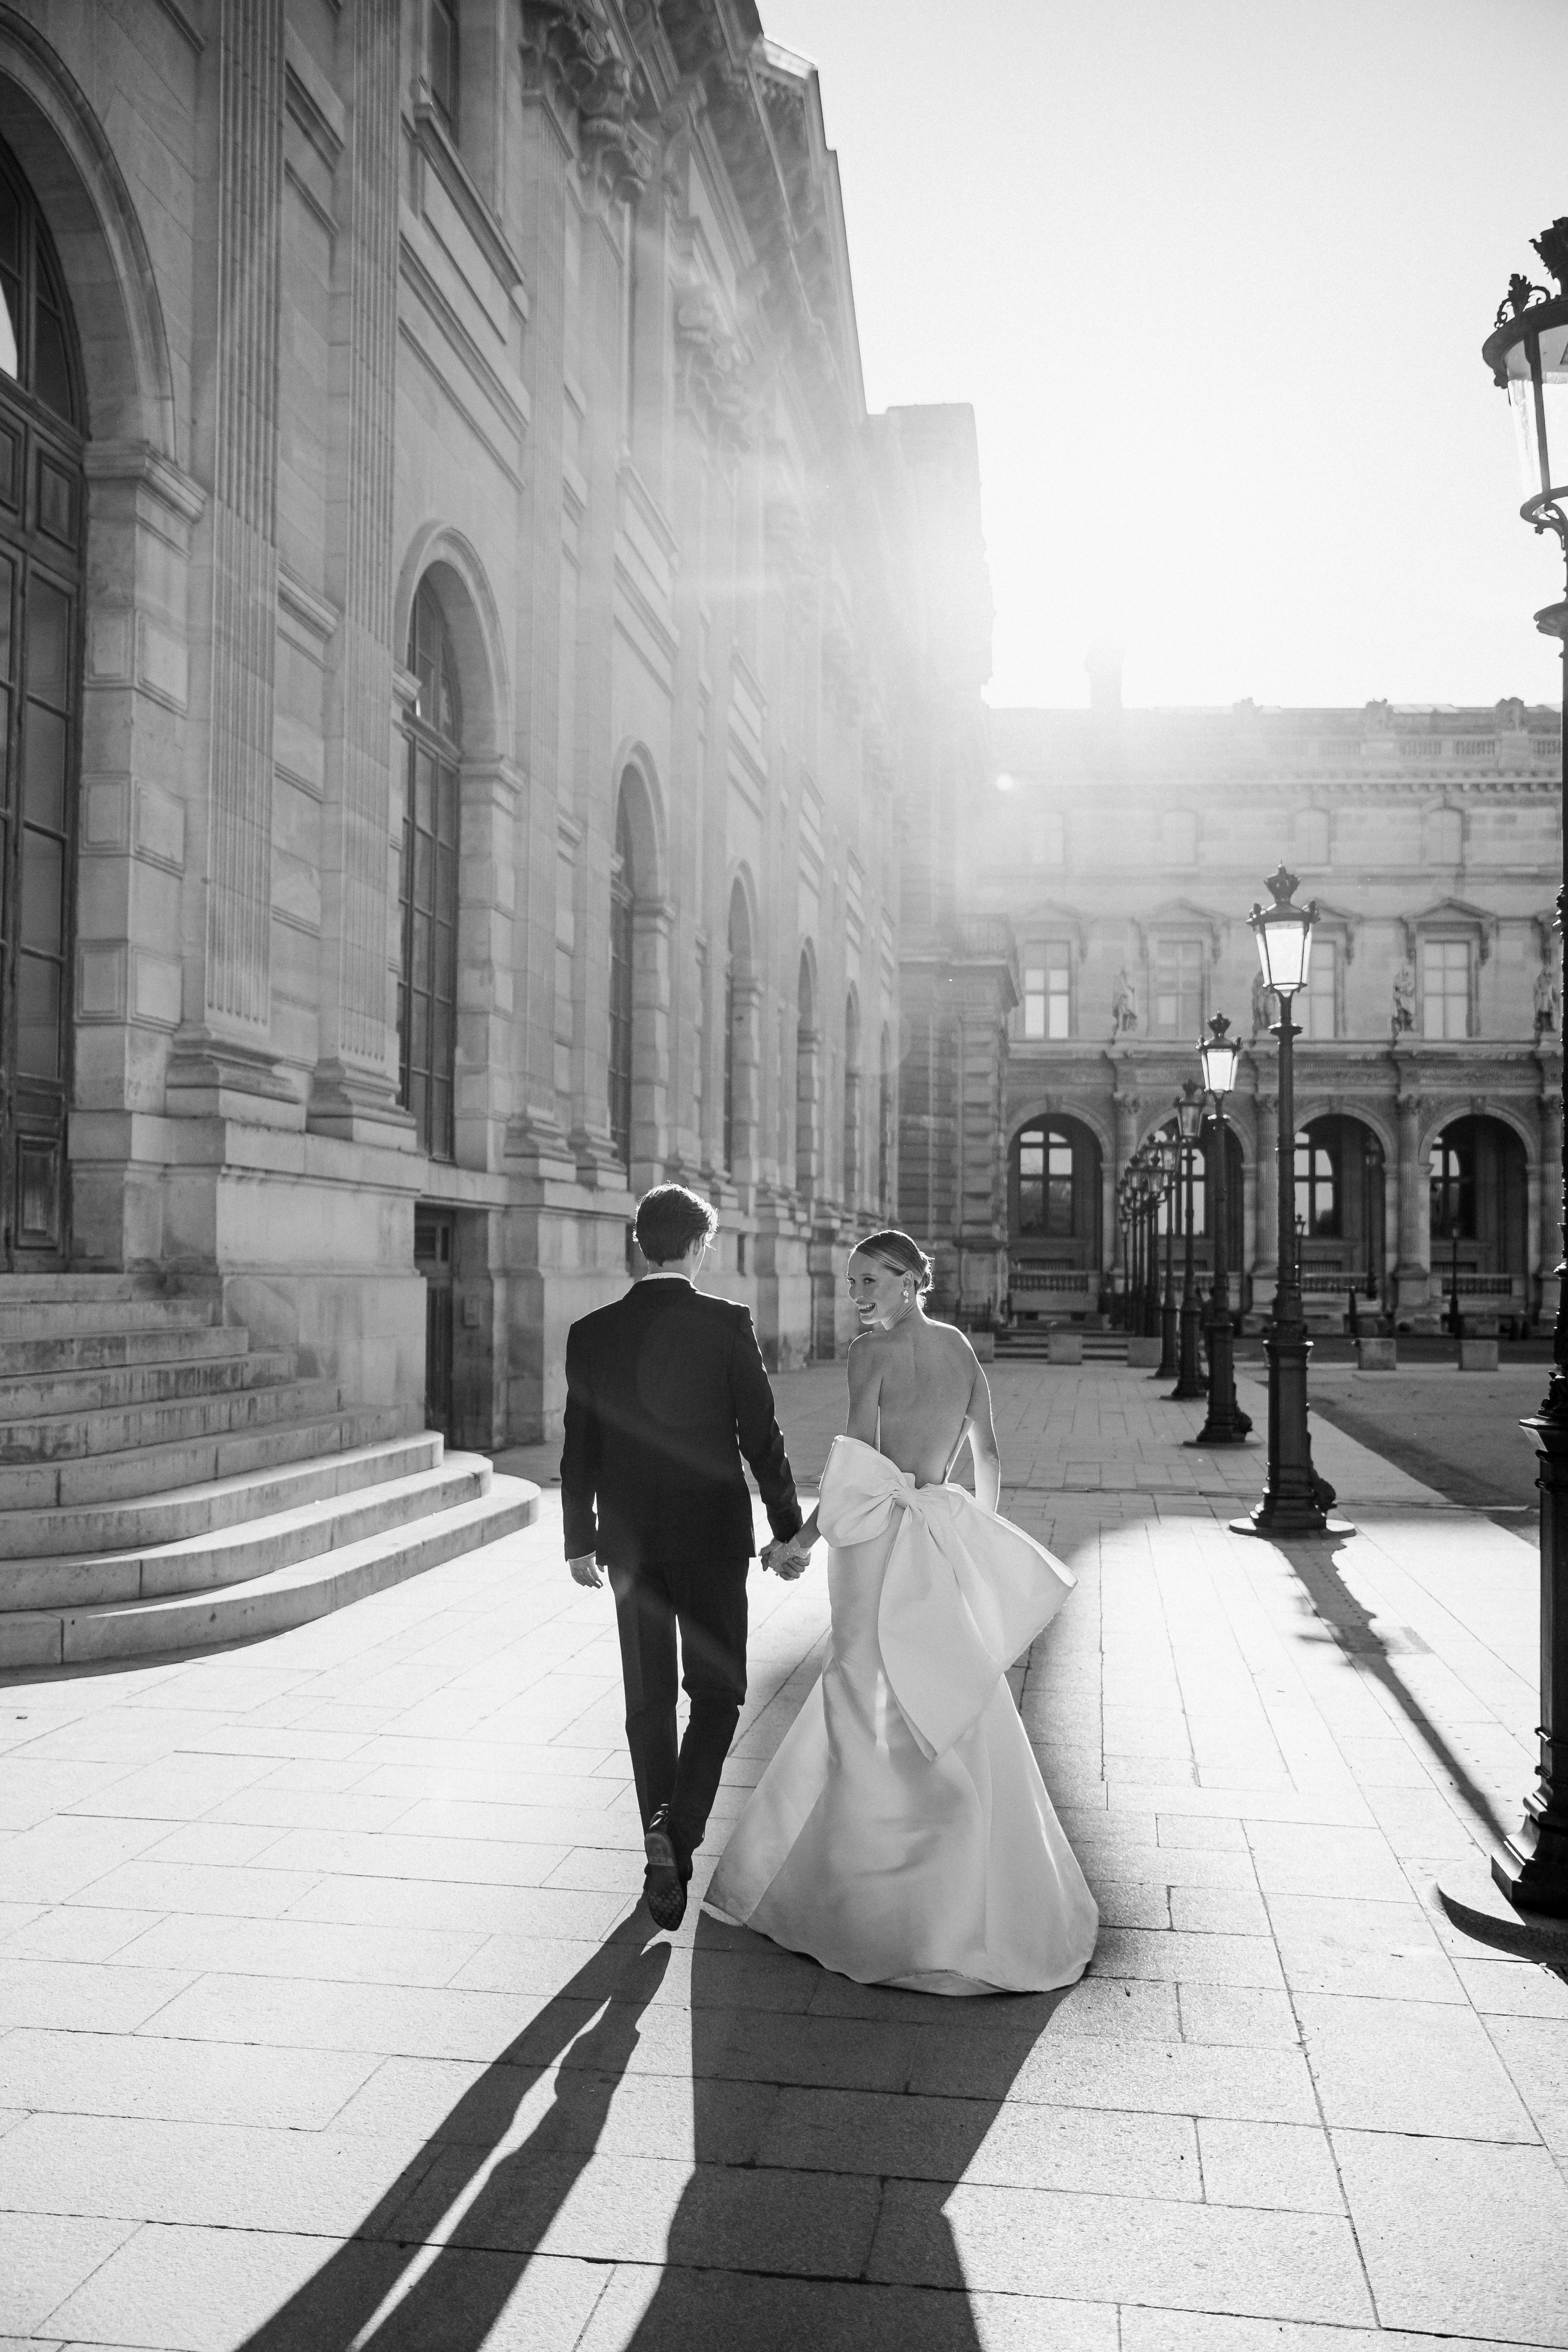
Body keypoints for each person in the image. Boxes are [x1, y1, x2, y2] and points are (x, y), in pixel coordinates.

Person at [706, 1229, 1098, 1995]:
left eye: (872, 1281)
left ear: (913, 1278)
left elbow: (854, 1466)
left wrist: (799, 1540)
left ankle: (872, 1898)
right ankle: (962, 1882)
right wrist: (968, 1537)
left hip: (873, 1545)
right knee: (948, 1685)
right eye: (852, 1280)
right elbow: (986, 1453)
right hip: (932, 1535)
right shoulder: (958, 1349)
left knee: (862, 1696)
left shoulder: (870, 1355)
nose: (857, 1293)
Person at [561, 1182, 804, 1934]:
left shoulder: (591, 1331)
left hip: (630, 1539)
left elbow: (580, 1448)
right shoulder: (727, 1324)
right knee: (718, 1692)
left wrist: (578, 1538)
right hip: (711, 1536)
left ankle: (656, 1835)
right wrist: (787, 1528)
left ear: (640, 1243)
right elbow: (761, 1438)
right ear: (702, 1247)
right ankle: (680, 1827)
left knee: (647, 1697)